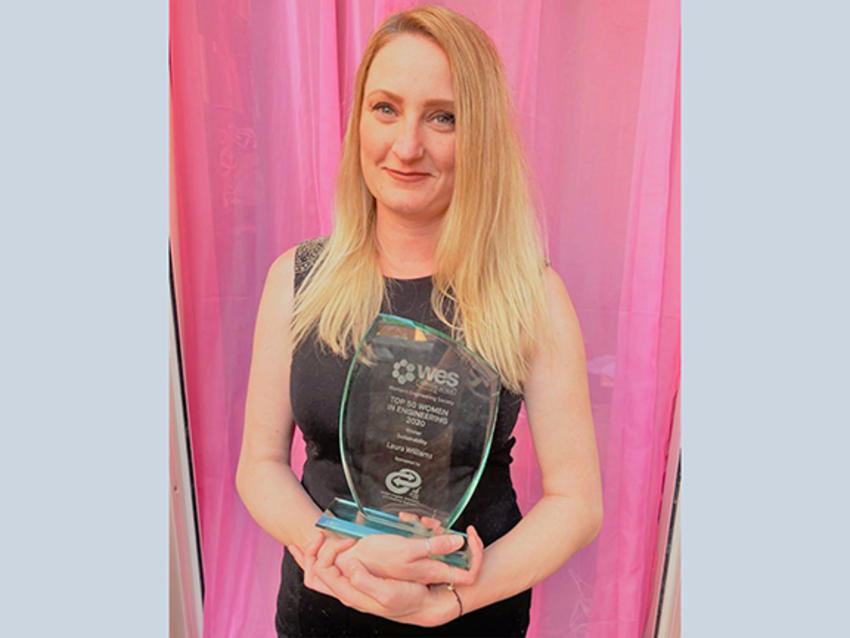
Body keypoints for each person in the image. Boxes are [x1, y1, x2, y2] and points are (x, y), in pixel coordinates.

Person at [236, 6, 602, 637]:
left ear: (480, 134)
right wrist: (334, 550)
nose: (407, 146)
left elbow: (577, 504)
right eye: (385, 108)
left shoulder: (531, 296)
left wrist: (454, 599)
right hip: (322, 609)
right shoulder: (298, 277)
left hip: (470, 617)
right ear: (358, 122)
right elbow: (259, 466)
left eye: (443, 117)